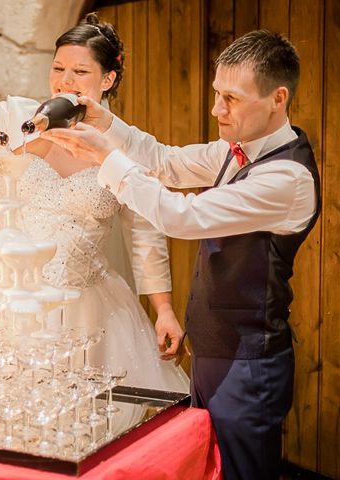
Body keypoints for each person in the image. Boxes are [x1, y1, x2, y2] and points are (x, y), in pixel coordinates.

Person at [42, 29, 320, 480]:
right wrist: (107, 125)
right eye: (216, 95)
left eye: (230, 98)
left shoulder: (287, 179)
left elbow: (182, 218)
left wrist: (105, 160)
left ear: (278, 99)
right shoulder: (235, 151)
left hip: (250, 361)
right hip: (212, 348)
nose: (216, 109)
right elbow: (165, 162)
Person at [0, 13, 189, 393]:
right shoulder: (16, 116)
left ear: (108, 79)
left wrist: (163, 311)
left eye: (80, 71)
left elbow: (144, 236)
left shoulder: (125, 144)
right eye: (58, 67)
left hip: (85, 306)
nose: (64, 81)